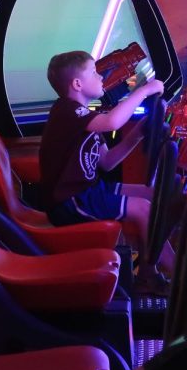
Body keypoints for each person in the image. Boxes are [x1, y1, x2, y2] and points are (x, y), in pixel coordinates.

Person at [39, 50, 175, 292]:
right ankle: (183, 278)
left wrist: (139, 133)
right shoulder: (67, 111)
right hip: (70, 201)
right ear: (77, 84)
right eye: (94, 72)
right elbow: (112, 122)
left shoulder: (85, 117)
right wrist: (143, 91)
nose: (100, 77)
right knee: (143, 209)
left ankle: (147, 272)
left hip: (88, 189)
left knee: (150, 195)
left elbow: (107, 162)